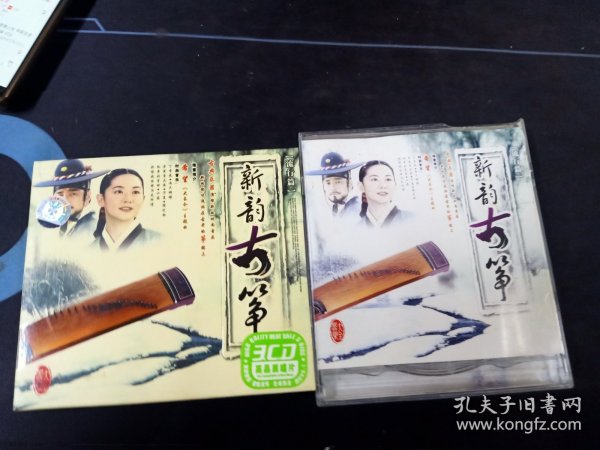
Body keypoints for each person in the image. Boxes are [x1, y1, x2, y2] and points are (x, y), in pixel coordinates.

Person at [34, 159, 108, 242]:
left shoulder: (92, 229)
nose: (65, 200)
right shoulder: (50, 230)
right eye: (60, 194)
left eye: (73, 194)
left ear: (87, 197)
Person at [92, 168, 160, 251]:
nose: (128, 199)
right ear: (101, 199)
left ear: (143, 199)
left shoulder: (160, 242)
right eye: (119, 191)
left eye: (135, 192)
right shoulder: (88, 251)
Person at [306, 152, 362, 219]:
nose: (332, 188)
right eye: (328, 183)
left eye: (338, 182)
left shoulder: (356, 211)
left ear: (350, 184)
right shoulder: (326, 210)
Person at [358, 160, 412, 227]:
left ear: (395, 185)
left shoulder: (412, 220)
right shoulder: (356, 229)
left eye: (388, 179)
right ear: (361, 186)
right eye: (375, 179)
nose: (383, 185)